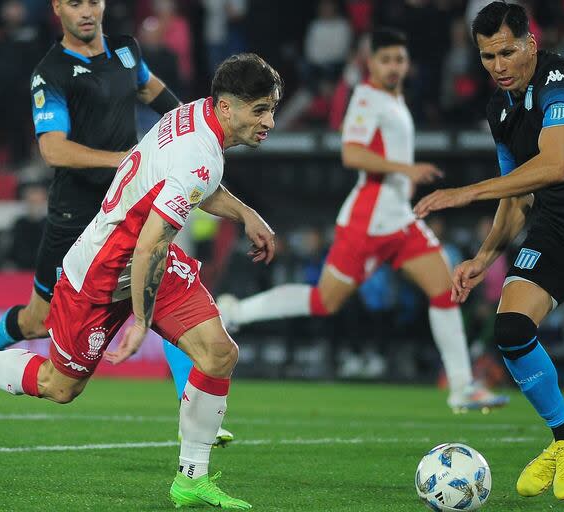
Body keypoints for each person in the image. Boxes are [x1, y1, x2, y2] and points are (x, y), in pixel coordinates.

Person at [0, 52, 282, 510]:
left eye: (272, 107)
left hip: (141, 254)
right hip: (102, 271)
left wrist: (246, 213)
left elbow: (193, 189)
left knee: (218, 352)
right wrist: (140, 319)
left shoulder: (196, 114)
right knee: (61, 387)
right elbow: (150, 242)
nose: (269, 120)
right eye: (260, 110)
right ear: (228, 108)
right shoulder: (200, 153)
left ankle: (191, 478)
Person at [0, 0, 232, 445]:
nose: (86, 11)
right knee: (38, 321)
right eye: (75, 2)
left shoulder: (127, 52)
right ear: (58, 8)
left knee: (162, 286)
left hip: (128, 207)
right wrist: (128, 160)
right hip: (75, 215)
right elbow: (54, 151)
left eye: (93, 1)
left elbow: (166, 102)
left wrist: (195, 140)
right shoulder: (52, 72)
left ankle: (195, 407)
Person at [414, 2, 564, 501]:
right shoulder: (499, 109)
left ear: (531, 43)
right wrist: (484, 257)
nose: (498, 66)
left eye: (507, 51)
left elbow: (554, 165)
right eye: (487, 57)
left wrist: (464, 193)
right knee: (511, 326)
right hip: (559, 228)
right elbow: (516, 192)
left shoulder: (560, 80)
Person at [217, 28, 508, 411]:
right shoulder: (367, 100)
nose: (393, 67)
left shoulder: (394, 98)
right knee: (324, 301)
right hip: (368, 221)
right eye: (385, 60)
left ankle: (461, 386)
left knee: (445, 288)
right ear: (370, 62)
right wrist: (406, 168)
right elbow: (352, 154)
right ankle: (235, 311)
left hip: (399, 219)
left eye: (399, 60)